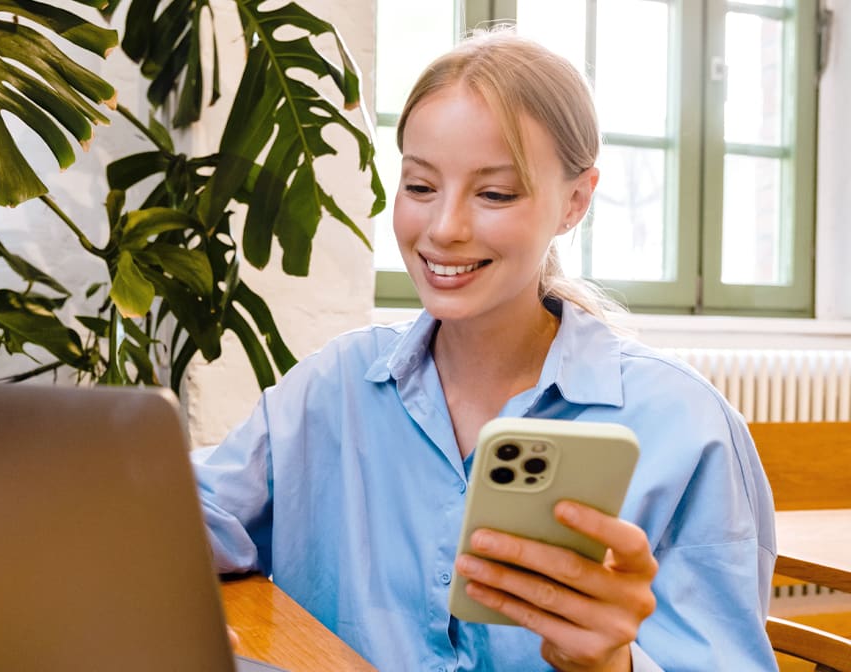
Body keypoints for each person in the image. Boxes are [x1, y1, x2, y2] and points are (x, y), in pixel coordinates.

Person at [192, 28, 776, 672]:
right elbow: (187, 522)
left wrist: (613, 665)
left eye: (495, 193)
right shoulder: (334, 386)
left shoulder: (684, 425)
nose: (444, 229)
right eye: (419, 187)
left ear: (575, 201)